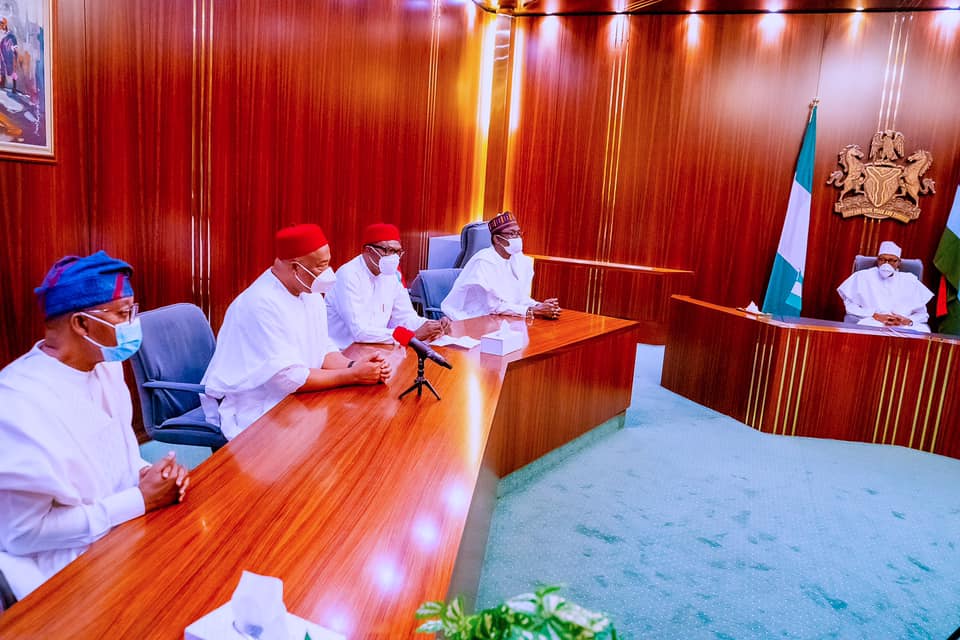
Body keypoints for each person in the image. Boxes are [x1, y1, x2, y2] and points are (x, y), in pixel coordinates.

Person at [0, 251, 189, 601]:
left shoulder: (105, 366)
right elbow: (22, 534)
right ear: (81, 324)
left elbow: (120, 456)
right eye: (123, 313)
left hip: (125, 532)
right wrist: (139, 500)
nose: (134, 323)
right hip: (62, 570)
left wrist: (153, 475)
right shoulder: (17, 403)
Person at [201, 223, 391, 439]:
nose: (328, 273)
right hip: (259, 406)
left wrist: (357, 366)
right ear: (295, 268)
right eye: (321, 266)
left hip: (299, 398)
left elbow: (323, 347)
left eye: (328, 263)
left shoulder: (308, 292)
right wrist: (352, 376)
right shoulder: (260, 303)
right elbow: (288, 378)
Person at [326, 223, 449, 348]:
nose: (394, 257)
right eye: (388, 250)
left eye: (397, 252)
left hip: (378, 346)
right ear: (368, 250)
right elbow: (360, 332)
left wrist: (432, 325)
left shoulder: (391, 275)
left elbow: (405, 317)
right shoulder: (348, 275)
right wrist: (411, 336)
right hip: (345, 351)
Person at [440, 211, 561, 321]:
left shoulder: (519, 259)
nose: (517, 238)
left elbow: (520, 299)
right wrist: (533, 310)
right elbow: (494, 307)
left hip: (504, 319)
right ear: (497, 239)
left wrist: (540, 306)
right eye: (511, 234)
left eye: (518, 233)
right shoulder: (484, 261)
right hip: (474, 319)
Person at [837, 240, 934, 332]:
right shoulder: (862, 276)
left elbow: (922, 314)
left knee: (922, 332)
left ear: (899, 262)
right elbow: (850, 306)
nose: (886, 264)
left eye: (892, 260)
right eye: (882, 259)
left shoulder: (910, 280)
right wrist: (874, 315)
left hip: (904, 326)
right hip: (874, 323)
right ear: (877, 260)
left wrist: (908, 320)